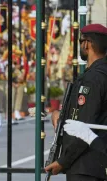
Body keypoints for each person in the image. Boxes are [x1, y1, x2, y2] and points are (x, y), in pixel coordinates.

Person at [45, 24, 107, 181]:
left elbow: (85, 126)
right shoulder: (98, 75)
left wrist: (62, 161)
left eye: (81, 41)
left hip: (86, 166)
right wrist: (60, 114)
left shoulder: (93, 79)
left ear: (87, 44)